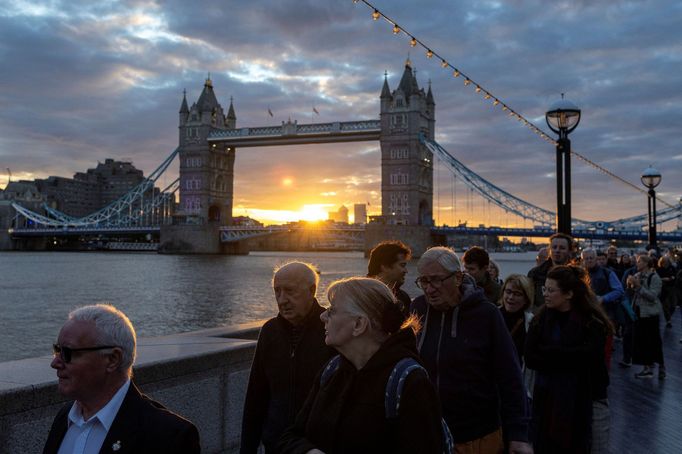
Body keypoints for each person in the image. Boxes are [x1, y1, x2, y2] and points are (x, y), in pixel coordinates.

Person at [278, 277, 446, 453]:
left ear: (358, 325)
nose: (322, 316)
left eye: (332, 311)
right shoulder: (332, 370)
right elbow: (291, 436)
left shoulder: (410, 383)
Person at [412, 247, 531, 454]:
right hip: (427, 434)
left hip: (477, 437)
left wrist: (518, 435)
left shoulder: (487, 315)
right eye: (424, 281)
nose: (429, 289)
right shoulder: (416, 310)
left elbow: (510, 378)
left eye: (436, 280)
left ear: (458, 278)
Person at [43, 304, 200, 454]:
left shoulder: (170, 436)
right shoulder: (64, 418)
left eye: (67, 353)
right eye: (57, 351)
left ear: (112, 359)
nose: (55, 363)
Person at [241, 262, 334, 453]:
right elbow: (256, 397)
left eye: (290, 291)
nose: (282, 299)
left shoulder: (331, 329)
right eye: (277, 291)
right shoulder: (269, 331)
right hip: (276, 446)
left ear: (312, 290)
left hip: (316, 447)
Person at [524, 266, 612, 454]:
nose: (545, 294)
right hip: (548, 402)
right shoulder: (540, 320)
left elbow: (590, 358)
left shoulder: (592, 323)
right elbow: (531, 357)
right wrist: (569, 355)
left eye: (551, 290)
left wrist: (550, 353)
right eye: (544, 289)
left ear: (569, 294)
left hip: (587, 399)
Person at [627, 253, 665, 379]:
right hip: (639, 312)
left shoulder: (654, 277)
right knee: (642, 341)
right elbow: (632, 292)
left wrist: (638, 286)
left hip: (650, 314)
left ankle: (660, 366)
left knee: (654, 340)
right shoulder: (637, 275)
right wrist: (630, 284)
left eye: (639, 261)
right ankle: (647, 368)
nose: (636, 264)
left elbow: (652, 296)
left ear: (646, 264)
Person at [581, 248, 624, 347]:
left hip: (605, 314)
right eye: (586, 258)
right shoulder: (580, 274)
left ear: (596, 258)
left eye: (591, 258)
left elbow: (619, 291)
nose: (589, 260)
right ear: (582, 260)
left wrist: (603, 298)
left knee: (604, 344)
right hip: (586, 314)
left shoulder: (607, 272)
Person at [527, 233, 574, 310]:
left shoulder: (576, 275)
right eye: (554, 247)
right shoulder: (535, 273)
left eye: (562, 248)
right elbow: (529, 301)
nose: (557, 250)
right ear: (550, 250)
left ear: (569, 251)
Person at [367, 240, 412, 318]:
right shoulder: (362, 296)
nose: (406, 271)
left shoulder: (404, 297)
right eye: (402, 265)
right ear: (385, 266)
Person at [656, 255, 677, 328]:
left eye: (667, 261)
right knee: (666, 306)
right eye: (664, 261)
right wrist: (664, 279)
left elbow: (674, 277)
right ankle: (668, 320)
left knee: (673, 305)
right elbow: (657, 278)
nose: (666, 263)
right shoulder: (658, 269)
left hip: (672, 288)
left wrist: (671, 278)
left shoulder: (672, 268)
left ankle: (669, 317)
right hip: (663, 289)